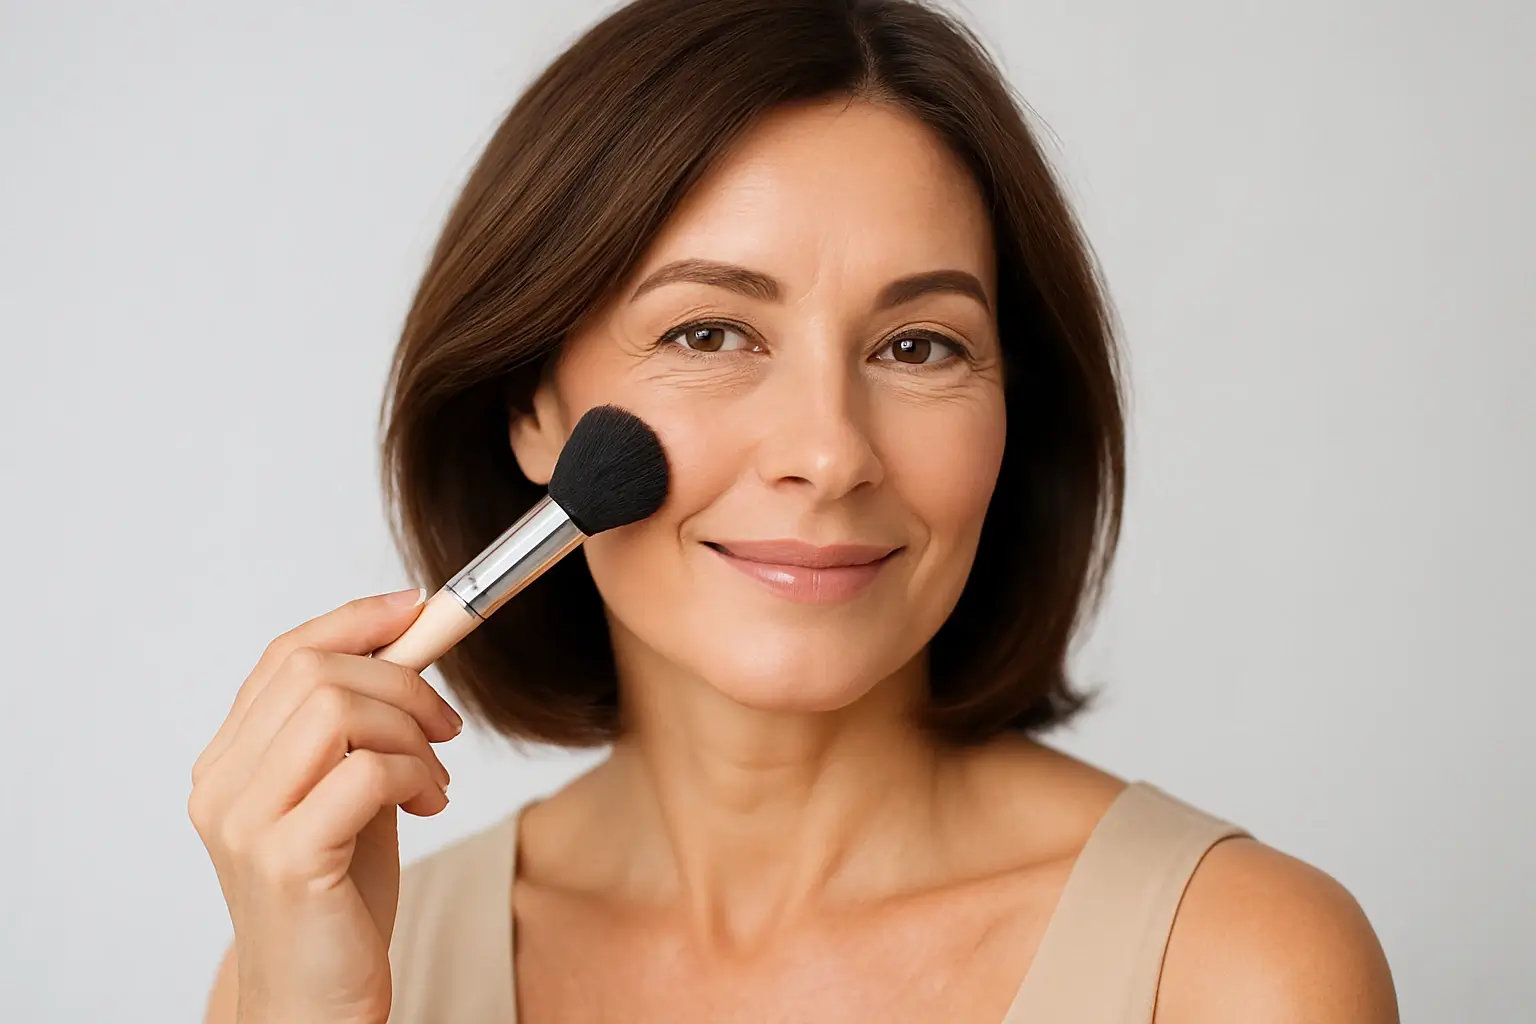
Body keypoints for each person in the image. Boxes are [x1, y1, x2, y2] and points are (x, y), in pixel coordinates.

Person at [188, 1, 1400, 1021]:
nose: (828, 453)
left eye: (918, 346)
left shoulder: (1240, 967)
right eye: (709, 333)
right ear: (534, 408)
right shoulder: (318, 963)